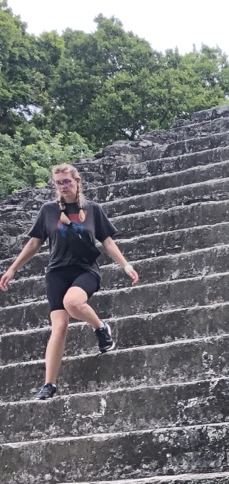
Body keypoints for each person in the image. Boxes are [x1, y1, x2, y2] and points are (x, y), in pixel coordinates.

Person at [0, 162, 139, 400]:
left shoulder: (93, 209)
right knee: (59, 327)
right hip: (57, 273)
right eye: (58, 183)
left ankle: (100, 328)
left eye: (67, 181)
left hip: (85, 270)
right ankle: (49, 384)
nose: (63, 186)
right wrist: (12, 268)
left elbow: (107, 242)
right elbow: (34, 243)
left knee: (73, 302)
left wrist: (126, 265)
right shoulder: (48, 210)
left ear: (77, 181)